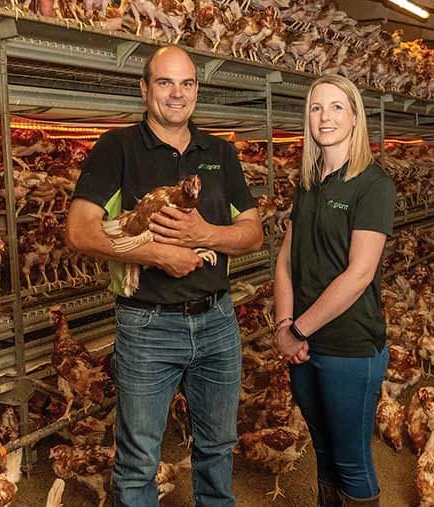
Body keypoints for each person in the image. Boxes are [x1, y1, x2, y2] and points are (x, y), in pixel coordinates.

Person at [65, 45, 263, 507]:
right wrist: (157, 254)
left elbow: (253, 234)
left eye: (188, 83)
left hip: (217, 322)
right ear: (144, 89)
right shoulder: (117, 149)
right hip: (147, 325)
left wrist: (206, 233)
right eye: (165, 82)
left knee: (217, 449)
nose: (178, 93)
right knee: (138, 463)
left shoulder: (219, 151)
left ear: (197, 90)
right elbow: (78, 230)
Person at [273, 74, 396, 507]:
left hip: (349, 345)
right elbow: (286, 260)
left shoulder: (373, 185)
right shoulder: (307, 183)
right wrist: (284, 324)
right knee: (321, 450)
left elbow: (359, 274)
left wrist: (298, 331)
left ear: (355, 116)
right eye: (316, 107)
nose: (325, 117)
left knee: (351, 458)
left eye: (336, 107)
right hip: (303, 344)